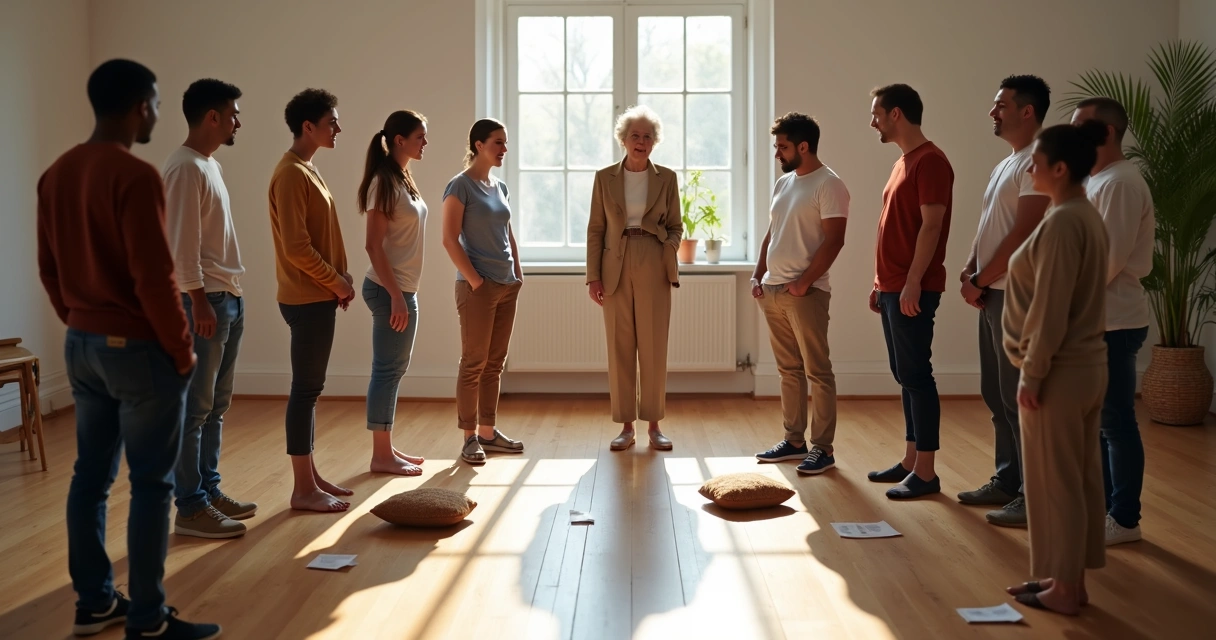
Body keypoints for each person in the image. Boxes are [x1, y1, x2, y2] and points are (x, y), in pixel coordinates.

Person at [38, 58, 221, 640]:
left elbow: (48, 269)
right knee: (151, 483)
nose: (157, 115)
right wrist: (182, 351)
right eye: (157, 105)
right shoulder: (135, 176)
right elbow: (154, 278)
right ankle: (147, 618)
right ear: (141, 106)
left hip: (81, 345)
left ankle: (94, 603)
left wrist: (80, 322)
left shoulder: (56, 173)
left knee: (89, 477)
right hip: (137, 349)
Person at [1003, 121, 1112, 615]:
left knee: (1056, 481)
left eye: (1037, 161)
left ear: (1060, 168)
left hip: (1060, 373)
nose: (1030, 167)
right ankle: (1066, 579)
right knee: (1076, 475)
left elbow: (1051, 305)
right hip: (1083, 367)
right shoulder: (1080, 214)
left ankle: (1065, 590)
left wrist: (1032, 372)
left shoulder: (1066, 221)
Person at [163, 78, 256, 540]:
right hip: (205, 302)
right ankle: (191, 507)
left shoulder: (208, 164)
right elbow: (181, 245)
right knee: (194, 409)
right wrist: (198, 299)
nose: (239, 121)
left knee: (215, 406)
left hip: (226, 297)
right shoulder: (184, 168)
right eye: (233, 113)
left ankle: (209, 491)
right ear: (213, 116)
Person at [957, 75, 1052, 527]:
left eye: (1001, 105)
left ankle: (1035, 497)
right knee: (996, 393)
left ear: (1027, 111)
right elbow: (989, 226)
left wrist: (980, 278)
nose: (992, 112)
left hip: (1016, 293)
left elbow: (1024, 233)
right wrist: (970, 270)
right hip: (991, 290)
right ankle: (1008, 480)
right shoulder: (1007, 162)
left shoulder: (1037, 161)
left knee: (1019, 399)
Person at [1071, 97, 1155, 546]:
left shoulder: (1120, 183)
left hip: (1114, 321)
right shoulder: (1097, 179)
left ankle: (1124, 519)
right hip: (1096, 320)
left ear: (1105, 132)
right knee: (1101, 424)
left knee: (1116, 423)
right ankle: (1105, 510)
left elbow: (1108, 259)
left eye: (1079, 127)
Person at [865, 84, 955, 499]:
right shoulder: (903, 162)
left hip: (911, 287)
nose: (873, 122)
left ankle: (926, 472)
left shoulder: (931, 161)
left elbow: (931, 226)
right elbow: (895, 226)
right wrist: (880, 283)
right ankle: (909, 460)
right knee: (905, 376)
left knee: (917, 376)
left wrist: (913, 281)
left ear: (896, 114)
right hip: (893, 287)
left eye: (877, 114)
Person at [268, 88, 355, 512]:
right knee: (305, 391)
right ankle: (302, 489)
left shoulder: (306, 169)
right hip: (305, 298)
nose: (338, 128)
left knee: (310, 389)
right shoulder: (291, 174)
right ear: (308, 126)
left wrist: (341, 278)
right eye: (331, 122)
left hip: (317, 293)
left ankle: (311, 476)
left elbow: (320, 237)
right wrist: (336, 282)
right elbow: (297, 248)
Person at [752, 112, 848, 474]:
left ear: (803, 146)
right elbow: (771, 233)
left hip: (805, 294)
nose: (777, 153)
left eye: (783, 146)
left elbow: (835, 240)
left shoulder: (829, 184)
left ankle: (823, 448)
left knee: (818, 371)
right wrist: (758, 275)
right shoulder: (784, 182)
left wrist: (804, 283)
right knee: (788, 370)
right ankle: (794, 441)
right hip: (772, 290)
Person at [586, 105, 683, 451]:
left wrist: (666, 247)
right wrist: (592, 276)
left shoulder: (667, 178)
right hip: (614, 264)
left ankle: (654, 425)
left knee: (654, 346)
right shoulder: (604, 178)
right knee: (620, 347)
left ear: (654, 142)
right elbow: (596, 229)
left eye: (647, 136)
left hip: (654, 260)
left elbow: (676, 226)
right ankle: (626, 427)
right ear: (623, 140)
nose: (641, 141)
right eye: (635, 136)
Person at [441, 118, 526, 465]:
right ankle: (469, 437)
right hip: (478, 288)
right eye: (498, 142)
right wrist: (475, 281)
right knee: (474, 363)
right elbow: (449, 239)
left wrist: (517, 272)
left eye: (505, 142)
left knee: (495, 364)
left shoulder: (499, 187)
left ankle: (488, 433)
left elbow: (507, 233)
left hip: (507, 285)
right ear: (478, 145)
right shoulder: (460, 186)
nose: (504, 148)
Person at [358, 110, 430, 475]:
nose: (425, 142)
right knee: (386, 371)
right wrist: (397, 297)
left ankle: (386, 447)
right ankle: (381, 456)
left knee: (394, 371)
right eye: (420, 137)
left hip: (401, 289)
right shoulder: (383, 182)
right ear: (399, 140)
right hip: (390, 290)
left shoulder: (402, 178)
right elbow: (372, 246)